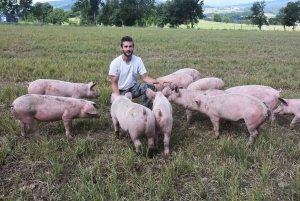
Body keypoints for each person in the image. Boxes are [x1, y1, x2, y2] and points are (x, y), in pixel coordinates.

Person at [109, 36, 168, 108]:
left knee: (150, 86)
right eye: (126, 46)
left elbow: (145, 78)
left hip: (133, 89)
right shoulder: (115, 63)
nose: (128, 49)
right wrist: (119, 99)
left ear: (133, 47)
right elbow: (114, 84)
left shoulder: (138, 60)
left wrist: (158, 81)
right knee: (119, 105)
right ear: (121, 48)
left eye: (130, 46)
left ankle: (143, 108)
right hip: (121, 91)